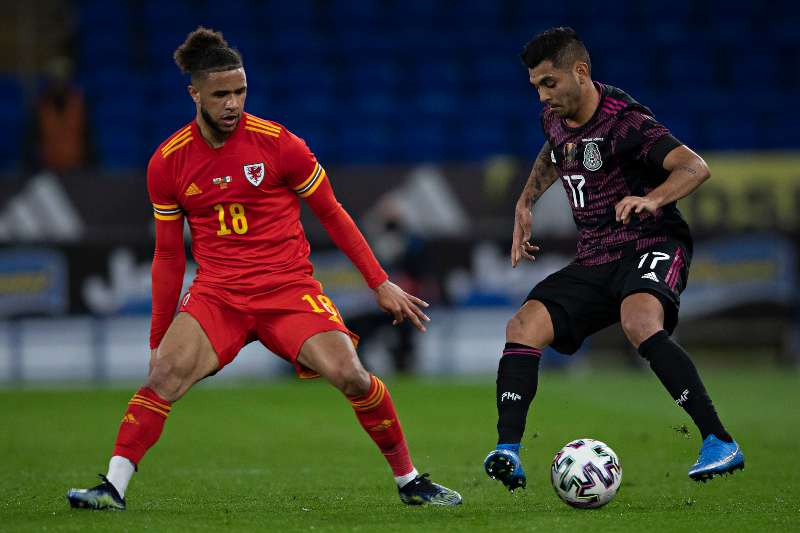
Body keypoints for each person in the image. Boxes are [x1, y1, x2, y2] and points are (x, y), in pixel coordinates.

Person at [67, 27, 461, 510]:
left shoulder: (280, 145)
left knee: (352, 375)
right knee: (162, 378)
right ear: (194, 94)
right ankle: (111, 487)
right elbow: (168, 257)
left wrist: (379, 283)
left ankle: (410, 480)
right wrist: (157, 339)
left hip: (287, 291)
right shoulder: (167, 164)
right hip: (219, 296)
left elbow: (333, 213)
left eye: (240, 91)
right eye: (220, 95)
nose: (233, 104)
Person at [482, 27, 743, 492]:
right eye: (536, 87)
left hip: (652, 242)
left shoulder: (626, 122)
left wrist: (653, 199)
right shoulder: (555, 118)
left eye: (550, 84)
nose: (543, 97)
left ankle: (719, 440)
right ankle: (508, 451)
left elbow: (694, 167)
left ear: (580, 72)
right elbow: (553, 153)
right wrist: (525, 203)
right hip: (597, 254)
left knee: (639, 319)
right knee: (522, 327)